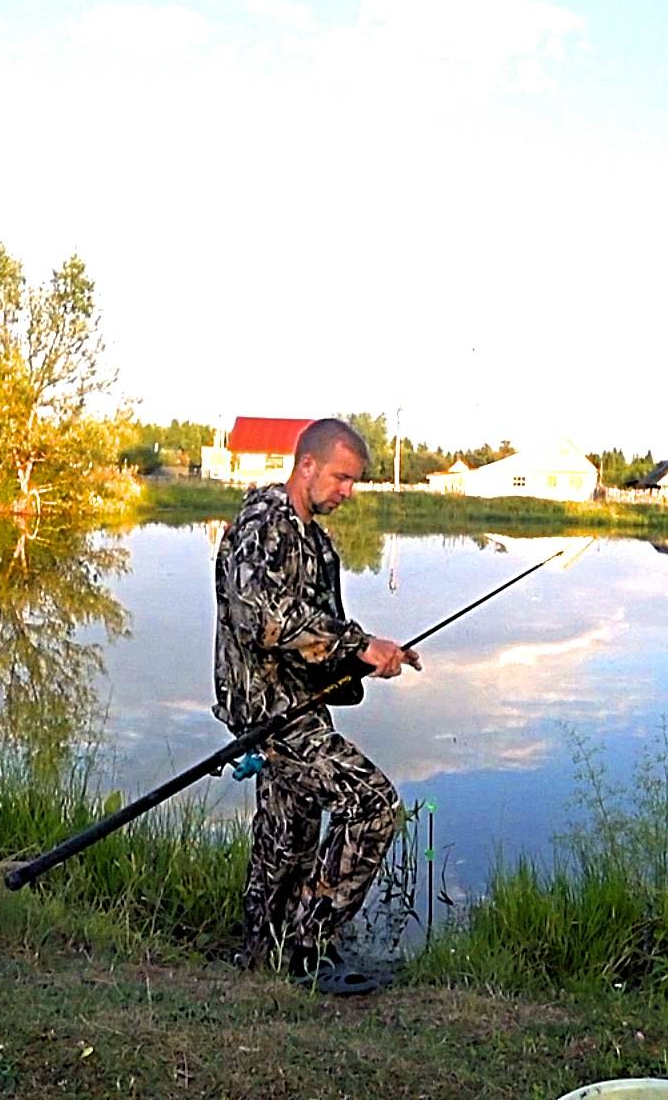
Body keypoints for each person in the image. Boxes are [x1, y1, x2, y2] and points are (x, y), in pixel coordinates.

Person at [212, 417, 418, 983]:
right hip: (268, 711)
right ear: (307, 466)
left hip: (298, 705)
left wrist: (366, 658)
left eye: (353, 482)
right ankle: (307, 949)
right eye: (342, 478)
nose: (347, 492)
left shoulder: (319, 545)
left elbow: (317, 640)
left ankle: (261, 955)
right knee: (372, 804)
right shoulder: (262, 523)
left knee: (290, 832)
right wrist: (357, 643)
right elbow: (263, 620)